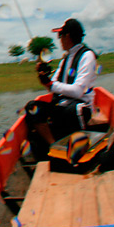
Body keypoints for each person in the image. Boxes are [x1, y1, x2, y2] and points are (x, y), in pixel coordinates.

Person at [24, 18, 98, 160]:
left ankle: (81, 143)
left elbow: (78, 91)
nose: (59, 40)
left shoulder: (87, 56)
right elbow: (53, 88)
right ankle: (54, 145)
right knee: (32, 107)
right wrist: (45, 78)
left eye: (60, 36)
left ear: (67, 36)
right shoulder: (65, 59)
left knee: (73, 111)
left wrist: (51, 84)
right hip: (62, 106)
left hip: (80, 107)